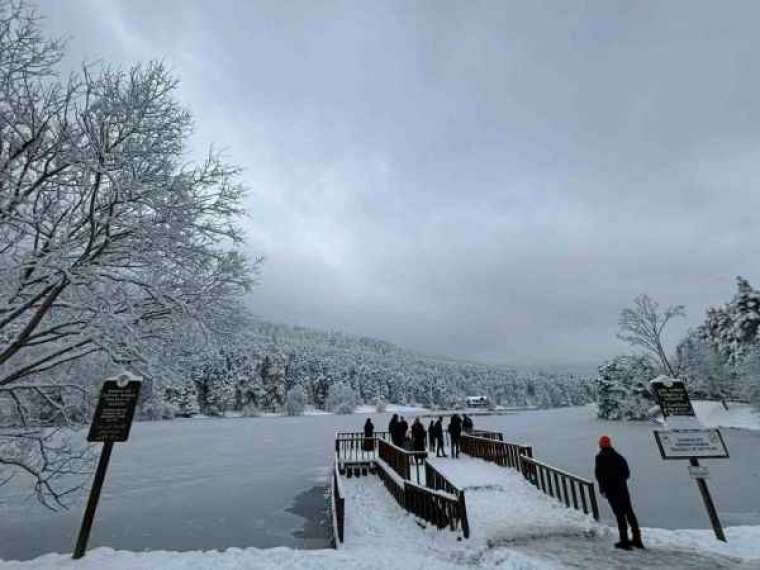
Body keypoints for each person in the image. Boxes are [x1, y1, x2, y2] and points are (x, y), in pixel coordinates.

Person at [595, 435, 643, 550]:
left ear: (600, 445)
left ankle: (624, 541)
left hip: (611, 490)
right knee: (629, 513)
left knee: (619, 515)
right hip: (622, 489)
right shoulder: (618, 457)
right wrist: (620, 480)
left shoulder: (600, 457)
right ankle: (637, 539)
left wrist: (603, 489)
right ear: (610, 444)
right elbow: (627, 473)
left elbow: (599, 475)